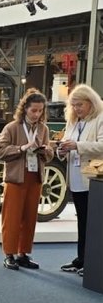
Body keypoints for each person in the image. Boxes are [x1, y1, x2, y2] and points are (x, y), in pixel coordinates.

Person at [0, 88, 54, 271]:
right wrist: (21, 148)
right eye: (33, 110)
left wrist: (46, 151)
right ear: (25, 109)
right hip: (15, 178)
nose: (37, 114)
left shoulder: (43, 129)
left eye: (40, 111)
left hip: (35, 177)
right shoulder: (12, 127)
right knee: (12, 218)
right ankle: (9, 254)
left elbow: (50, 154)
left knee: (29, 218)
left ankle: (23, 254)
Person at [57, 84, 103, 277]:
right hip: (76, 179)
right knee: (82, 221)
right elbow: (67, 144)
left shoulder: (100, 118)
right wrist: (62, 150)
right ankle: (81, 259)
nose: (76, 109)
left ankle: (91, 261)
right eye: (73, 105)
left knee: (93, 223)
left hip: (93, 179)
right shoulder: (73, 121)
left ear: (91, 102)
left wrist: (77, 145)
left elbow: (102, 146)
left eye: (80, 105)